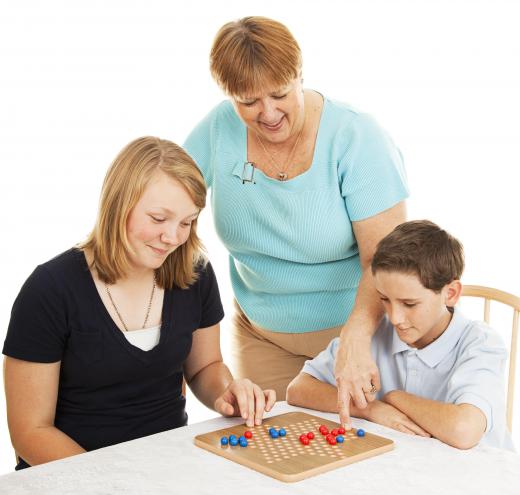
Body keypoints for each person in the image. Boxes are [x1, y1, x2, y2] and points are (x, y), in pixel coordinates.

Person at [183, 16, 409, 425]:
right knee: (271, 460)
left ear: (299, 74)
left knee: (360, 459)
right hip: (262, 337)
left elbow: (386, 260)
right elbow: (166, 197)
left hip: (353, 336)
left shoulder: (356, 137)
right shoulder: (220, 128)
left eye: (280, 94)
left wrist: (356, 339)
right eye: (248, 102)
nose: (267, 113)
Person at [2, 137, 276, 470]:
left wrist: (226, 391)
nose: (173, 237)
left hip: (163, 469)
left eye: (186, 222)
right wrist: (110, 483)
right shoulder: (49, 290)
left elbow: (205, 368)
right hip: (72, 478)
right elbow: (30, 432)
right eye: (159, 219)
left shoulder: (196, 274)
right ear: (118, 206)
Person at [287, 220, 514, 450]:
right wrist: (371, 408)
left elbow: (463, 431)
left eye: (409, 303)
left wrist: (394, 397)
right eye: (385, 299)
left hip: (483, 475)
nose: (395, 317)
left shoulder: (481, 344)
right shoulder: (376, 334)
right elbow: (298, 389)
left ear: (451, 293)